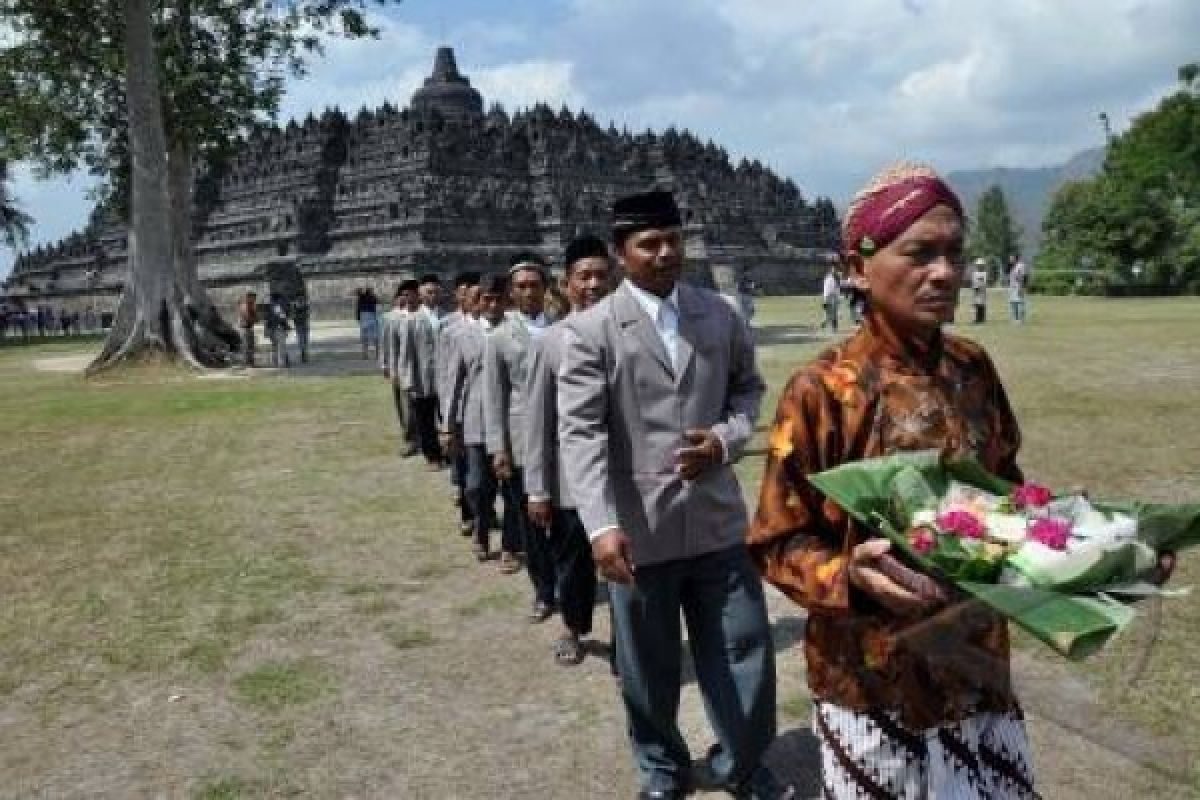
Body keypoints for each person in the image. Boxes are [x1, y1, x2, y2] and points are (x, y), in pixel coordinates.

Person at [749, 162, 1050, 798]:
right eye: (918, 253)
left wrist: (1098, 553)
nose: (944, 272)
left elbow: (1010, 494)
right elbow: (777, 542)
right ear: (857, 268)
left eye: (954, 252)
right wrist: (848, 575)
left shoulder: (973, 367)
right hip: (870, 685)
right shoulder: (822, 390)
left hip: (977, 668)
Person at [558, 190, 786, 800]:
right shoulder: (589, 331)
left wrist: (724, 439)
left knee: (744, 649)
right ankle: (661, 770)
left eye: (672, 240)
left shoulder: (720, 314)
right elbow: (579, 436)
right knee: (649, 667)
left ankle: (742, 761)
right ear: (621, 253)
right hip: (638, 533)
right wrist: (601, 527)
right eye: (648, 244)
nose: (664, 254)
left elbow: (747, 393)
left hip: (716, 521)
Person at [524, 234, 612, 666]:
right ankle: (573, 628)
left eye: (601, 275)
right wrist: (537, 489)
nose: (593, 284)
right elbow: (536, 419)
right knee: (573, 561)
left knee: (629, 567)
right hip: (571, 478)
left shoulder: (631, 334)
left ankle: (629, 645)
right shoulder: (550, 341)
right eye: (584, 276)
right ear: (566, 283)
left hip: (625, 477)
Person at [484, 253, 556, 607]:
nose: (529, 292)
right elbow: (493, 399)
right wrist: (498, 448)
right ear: (511, 293)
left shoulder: (565, 328)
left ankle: (570, 586)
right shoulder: (498, 338)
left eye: (535, 285)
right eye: (521, 287)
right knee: (532, 523)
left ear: (546, 288)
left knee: (569, 523)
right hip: (523, 442)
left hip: (565, 440)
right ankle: (543, 590)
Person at [444, 274, 505, 561]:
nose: (491, 304)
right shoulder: (461, 336)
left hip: (511, 423)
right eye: (485, 299)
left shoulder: (516, 332)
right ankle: (481, 531)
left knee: (515, 491)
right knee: (478, 485)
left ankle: (511, 543)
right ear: (476, 303)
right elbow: (453, 383)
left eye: (496, 298)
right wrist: (448, 426)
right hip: (476, 422)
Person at [439, 272, 484, 536]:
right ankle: (472, 517)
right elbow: (448, 379)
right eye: (475, 298)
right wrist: (447, 421)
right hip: (465, 412)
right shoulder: (453, 332)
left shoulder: (501, 330)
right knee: (470, 475)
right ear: (464, 300)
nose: (482, 303)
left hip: (494, 414)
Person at [408, 273, 446, 470]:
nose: (433, 295)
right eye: (429, 292)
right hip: (422, 377)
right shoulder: (413, 320)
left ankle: (449, 451)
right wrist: (409, 378)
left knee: (447, 416)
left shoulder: (447, 318)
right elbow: (408, 352)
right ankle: (432, 456)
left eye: (436, 292)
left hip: (445, 377)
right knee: (425, 418)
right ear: (421, 295)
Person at [380, 281, 420, 457]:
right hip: (403, 368)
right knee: (406, 406)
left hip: (425, 369)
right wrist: (388, 366)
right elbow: (389, 345)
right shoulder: (394, 318)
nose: (407, 298)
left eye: (411, 294)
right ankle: (410, 438)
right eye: (404, 294)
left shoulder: (425, 316)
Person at [264, 293, 291, 368]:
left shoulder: (269, 306)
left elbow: (266, 319)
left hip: (271, 328)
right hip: (278, 328)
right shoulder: (277, 306)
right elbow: (281, 317)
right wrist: (286, 326)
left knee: (274, 346)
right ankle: (282, 363)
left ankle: (274, 362)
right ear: (278, 299)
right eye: (280, 298)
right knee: (281, 346)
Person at [356, 287, 380, 359]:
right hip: (372, 316)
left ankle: (365, 354)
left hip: (363, 316)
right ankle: (377, 354)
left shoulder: (361, 298)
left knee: (364, 337)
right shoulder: (373, 298)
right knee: (375, 336)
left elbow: (358, 309)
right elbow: (377, 307)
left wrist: (358, 318)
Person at [237, 291, 258, 367]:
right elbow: (248, 317)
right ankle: (246, 363)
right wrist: (254, 319)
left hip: (249, 327)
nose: (255, 300)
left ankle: (251, 362)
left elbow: (255, 317)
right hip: (244, 328)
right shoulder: (245, 305)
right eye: (253, 298)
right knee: (246, 346)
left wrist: (255, 318)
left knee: (251, 346)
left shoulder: (251, 305)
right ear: (249, 297)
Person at [291, 294, 311, 363]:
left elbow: (307, 315)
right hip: (300, 324)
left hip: (302, 324)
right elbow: (294, 316)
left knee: (304, 339)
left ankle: (304, 353)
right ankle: (303, 354)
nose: (301, 299)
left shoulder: (302, 306)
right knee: (302, 339)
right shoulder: (300, 306)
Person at [1008, 254, 1028, 323]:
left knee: (1020, 303)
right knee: (1013, 303)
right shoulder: (1013, 266)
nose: (1010, 259)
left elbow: (1023, 277)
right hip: (1012, 287)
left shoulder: (1021, 266)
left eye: (1011, 258)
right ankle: (1015, 318)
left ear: (1015, 258)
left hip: (1019, 287)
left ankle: (1021, 319)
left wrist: (1021, 287)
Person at [820, 265, 840, 332]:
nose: (835, 271)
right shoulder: (828, 278)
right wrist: (825, 300)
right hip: (829, 297)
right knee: (829, 314)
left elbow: (838, 288)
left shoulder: (837, 278)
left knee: (834, 313)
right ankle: (825, 323)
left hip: (835, 297)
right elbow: (826, 289)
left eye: (835, 270)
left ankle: (834, 328)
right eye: (833, 270)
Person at [971, 257, 990, 324]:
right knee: (976, 305)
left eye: (980, 265)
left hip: (981, 291)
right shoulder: (974, 273)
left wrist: (980, 286)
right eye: (978, 265)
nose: (979, 266)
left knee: (981, 305)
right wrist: (975, 287)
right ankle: (976, 319)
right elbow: (973, 282)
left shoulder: (984, 273)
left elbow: (984, 282)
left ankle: (981, 319)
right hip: (976, 291)